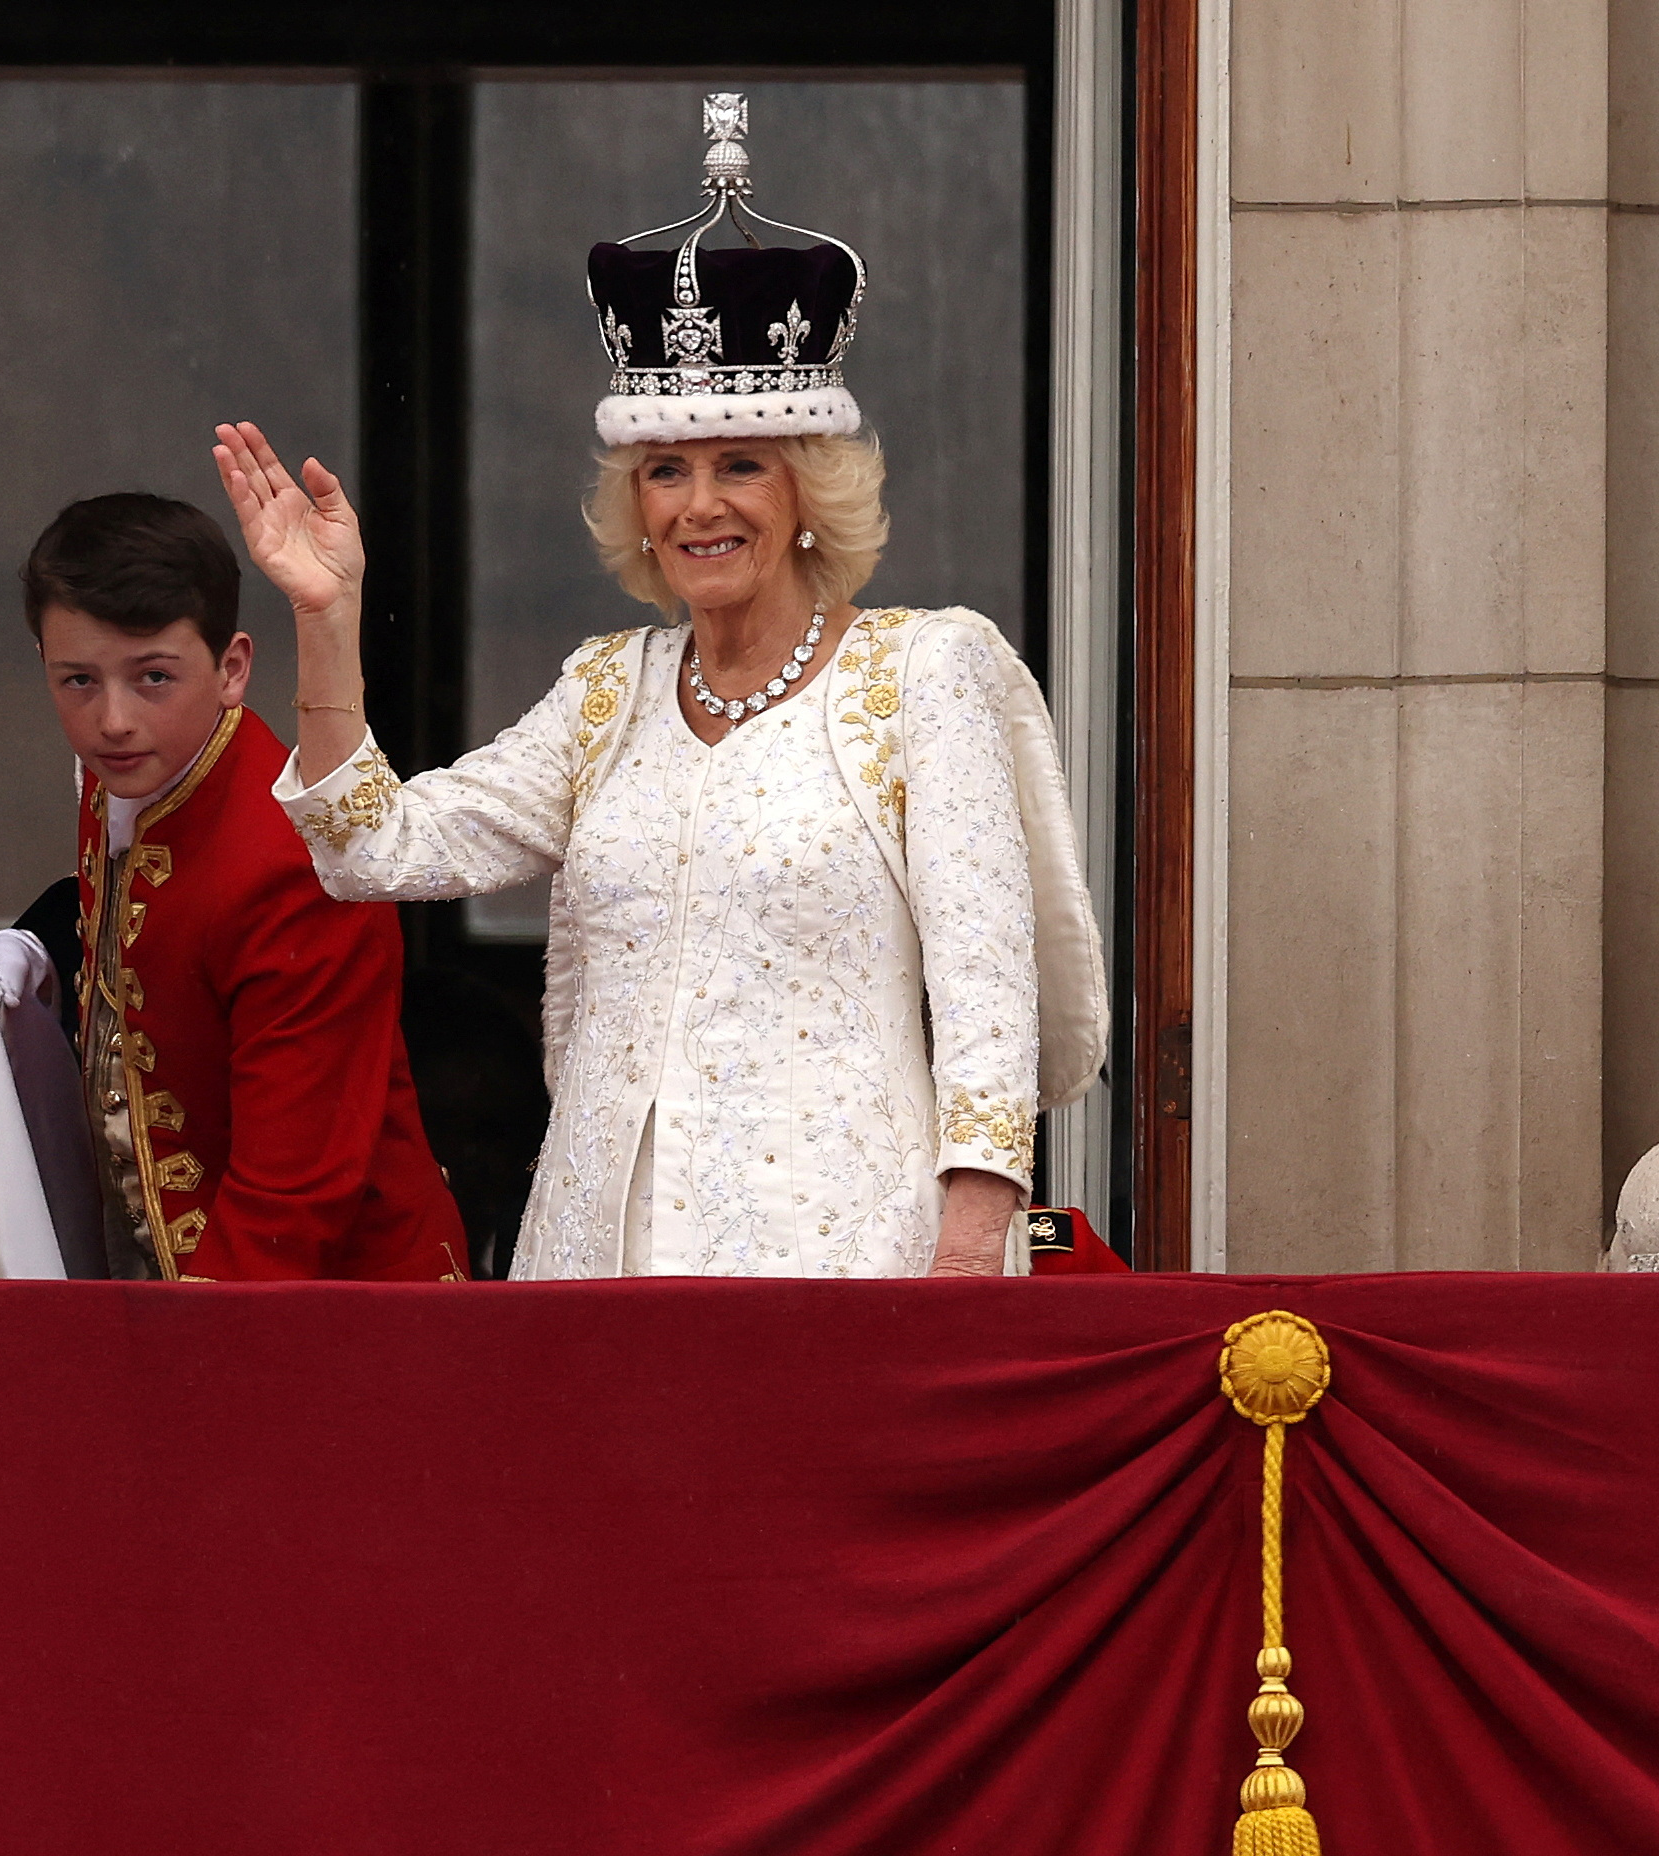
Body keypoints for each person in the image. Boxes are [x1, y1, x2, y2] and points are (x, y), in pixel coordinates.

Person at [219, 91, 1105, 1282]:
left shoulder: (917, 674)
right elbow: (373, 850)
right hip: (598, 1272)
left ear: (806, 491)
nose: (699, 504)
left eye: (740, 464)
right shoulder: (604, 693)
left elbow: (987, 987)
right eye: (666, 470)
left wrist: (967, 1248)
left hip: (846, 1264)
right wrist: (323, 620)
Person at [7, 493, 469, 1281]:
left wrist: (197, 1376)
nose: (111, 719)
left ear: (232, 668)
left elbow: (291, 1198)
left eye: (153, 676)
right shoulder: (126, 770)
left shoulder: (299, 864)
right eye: (78, 679)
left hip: (340, 1313)